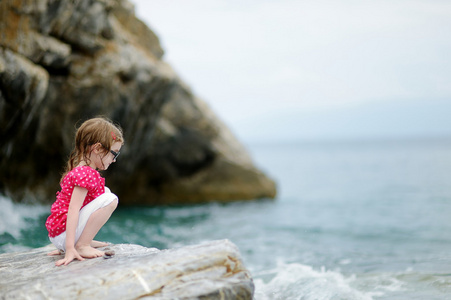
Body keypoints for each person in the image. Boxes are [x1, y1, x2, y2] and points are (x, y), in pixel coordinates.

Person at [45, 117, 124, 266]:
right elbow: (73, 210)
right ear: (98, 148)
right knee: (111, 199)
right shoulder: (86, 174)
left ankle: (82, 240)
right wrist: (69, 248)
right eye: (114, 154)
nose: (114, 160)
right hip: (63, 235)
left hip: (58, 234)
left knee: (104, 192)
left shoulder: (81, 171)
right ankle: (82, 245)